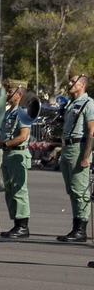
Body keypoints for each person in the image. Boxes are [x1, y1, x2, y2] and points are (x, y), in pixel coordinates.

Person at [0, 80, 35, 238]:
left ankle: (23, 226)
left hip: (18, 154)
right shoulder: (9, 111)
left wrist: (3, 144)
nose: (7, 94)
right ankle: (16, 223)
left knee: (19, 191)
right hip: (8, 154)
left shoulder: (23, 111)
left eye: (10, 91)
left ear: (20, 94)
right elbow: (5, 133)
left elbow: (23, 136)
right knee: (9, 190)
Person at [53, 72, 92, 244]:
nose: (69, 83)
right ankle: (76, 226)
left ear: (82, 84)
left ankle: (81, 229)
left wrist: (86, 155)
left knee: (80, 190)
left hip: (79, 147)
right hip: (67, 147)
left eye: (72, 81)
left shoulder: (88, 103)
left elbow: (92, 131)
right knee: (71, 189)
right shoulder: (70, 104)